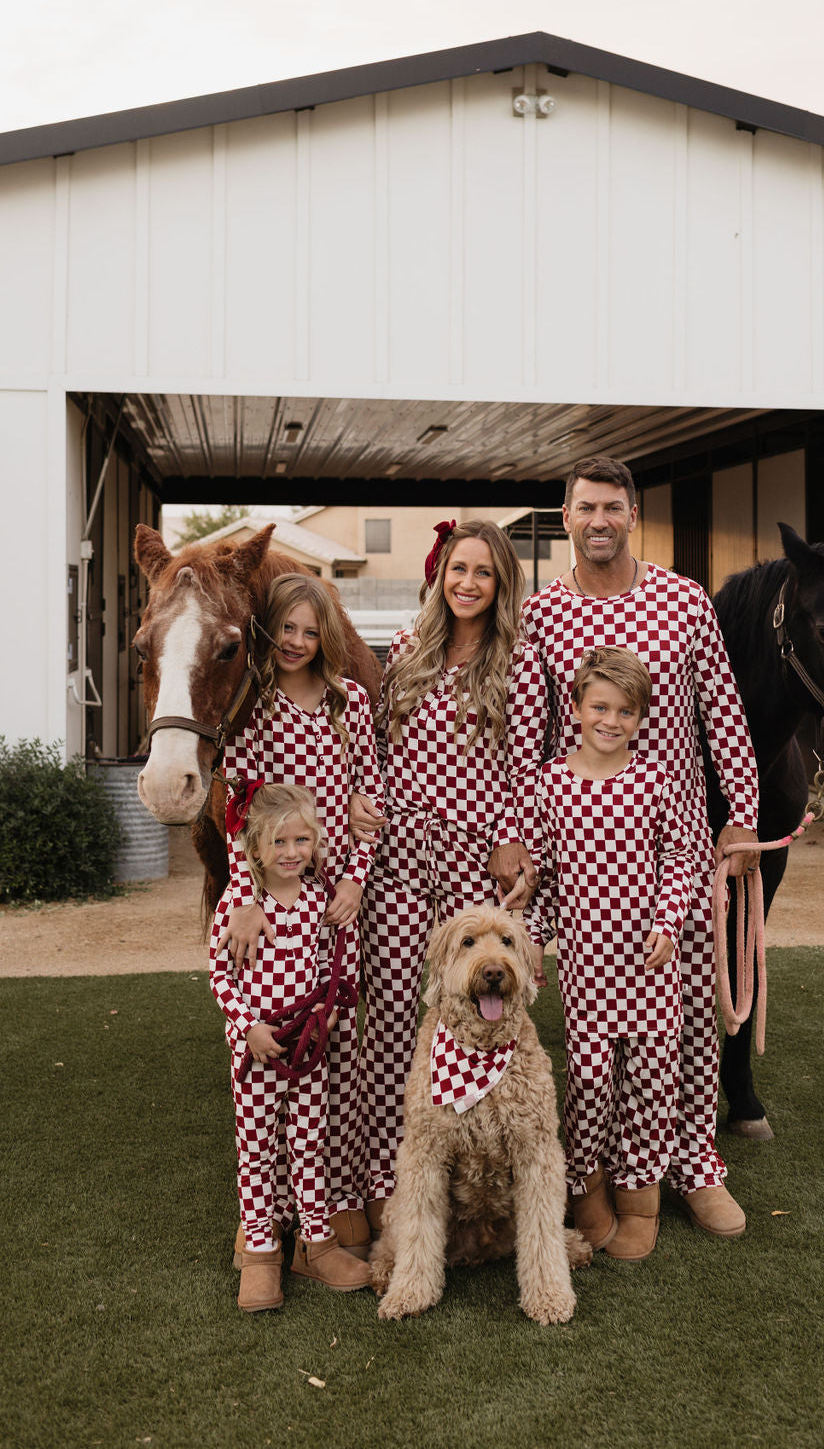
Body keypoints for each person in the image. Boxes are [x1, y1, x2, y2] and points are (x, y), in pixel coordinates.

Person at [490, 455, 760, 1238]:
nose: (600, 520)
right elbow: (527, 735)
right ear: (566, 516)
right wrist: (515, 828)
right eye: (586, 507)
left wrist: (739, 812)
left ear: (632, 514)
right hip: (582, 842)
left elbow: (724, 709)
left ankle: (696, 1165)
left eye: (613, 507)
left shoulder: (681, 601)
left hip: (670, 842)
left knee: (683, 1013)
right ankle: (596, 1173)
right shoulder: (544, 614)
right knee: (596, 1026)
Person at [350, 519, 549, 1231]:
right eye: (458, 569)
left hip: (471, 860)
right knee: (393, 1023)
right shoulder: (408, 647)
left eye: (483, 572)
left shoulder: (521, 661)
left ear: (501, 585)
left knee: (463, 1016)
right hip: (402, 853)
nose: (467, 582)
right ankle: (383, 1178)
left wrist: (510, 837)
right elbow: (374, 741)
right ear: (441, 575)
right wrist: (360, 799)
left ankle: (473, 1174)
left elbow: (526, 762)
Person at [217, 572, 386, 1259]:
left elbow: (370, 796)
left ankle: (330, 1197)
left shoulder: (350, 704)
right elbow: (238, 806)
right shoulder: (253, 705)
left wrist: (355, 878)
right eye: (286, 628)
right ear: (269, 630)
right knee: (272, 1045)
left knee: (334, 1045)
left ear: (327, 639)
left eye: (309, 631)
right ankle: (265, 1216)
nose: (296, 641)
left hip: (334, 897)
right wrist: (246, 897)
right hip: (272, 891)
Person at [519, 647, 692, 1261]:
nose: (611, 720)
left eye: (625, 711)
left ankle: (641, 1196)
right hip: (589, 971)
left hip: (650, 967)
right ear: (576, 708)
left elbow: (680, 861)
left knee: (651, 1081)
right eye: (600, 707)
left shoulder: (656, 783)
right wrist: (533, 938)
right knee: (590, 1082)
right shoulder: (548, 786)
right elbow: (538, 877)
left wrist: (669, 921)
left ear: (641, 717)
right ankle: (585, 1183)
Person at [209, 783, 372, 1311]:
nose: (291, 852)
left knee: (309, 1143)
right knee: (258, 1148)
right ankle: (260, 1252)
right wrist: (248, 1027)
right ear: (255, 849)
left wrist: (325, 1013)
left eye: (302, 840)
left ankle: (314, 1242)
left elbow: (328, 966)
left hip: (308, 1049)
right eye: (279, 842)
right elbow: (219, 973)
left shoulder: (317, 898)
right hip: (258, 1051)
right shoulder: (241, 905)